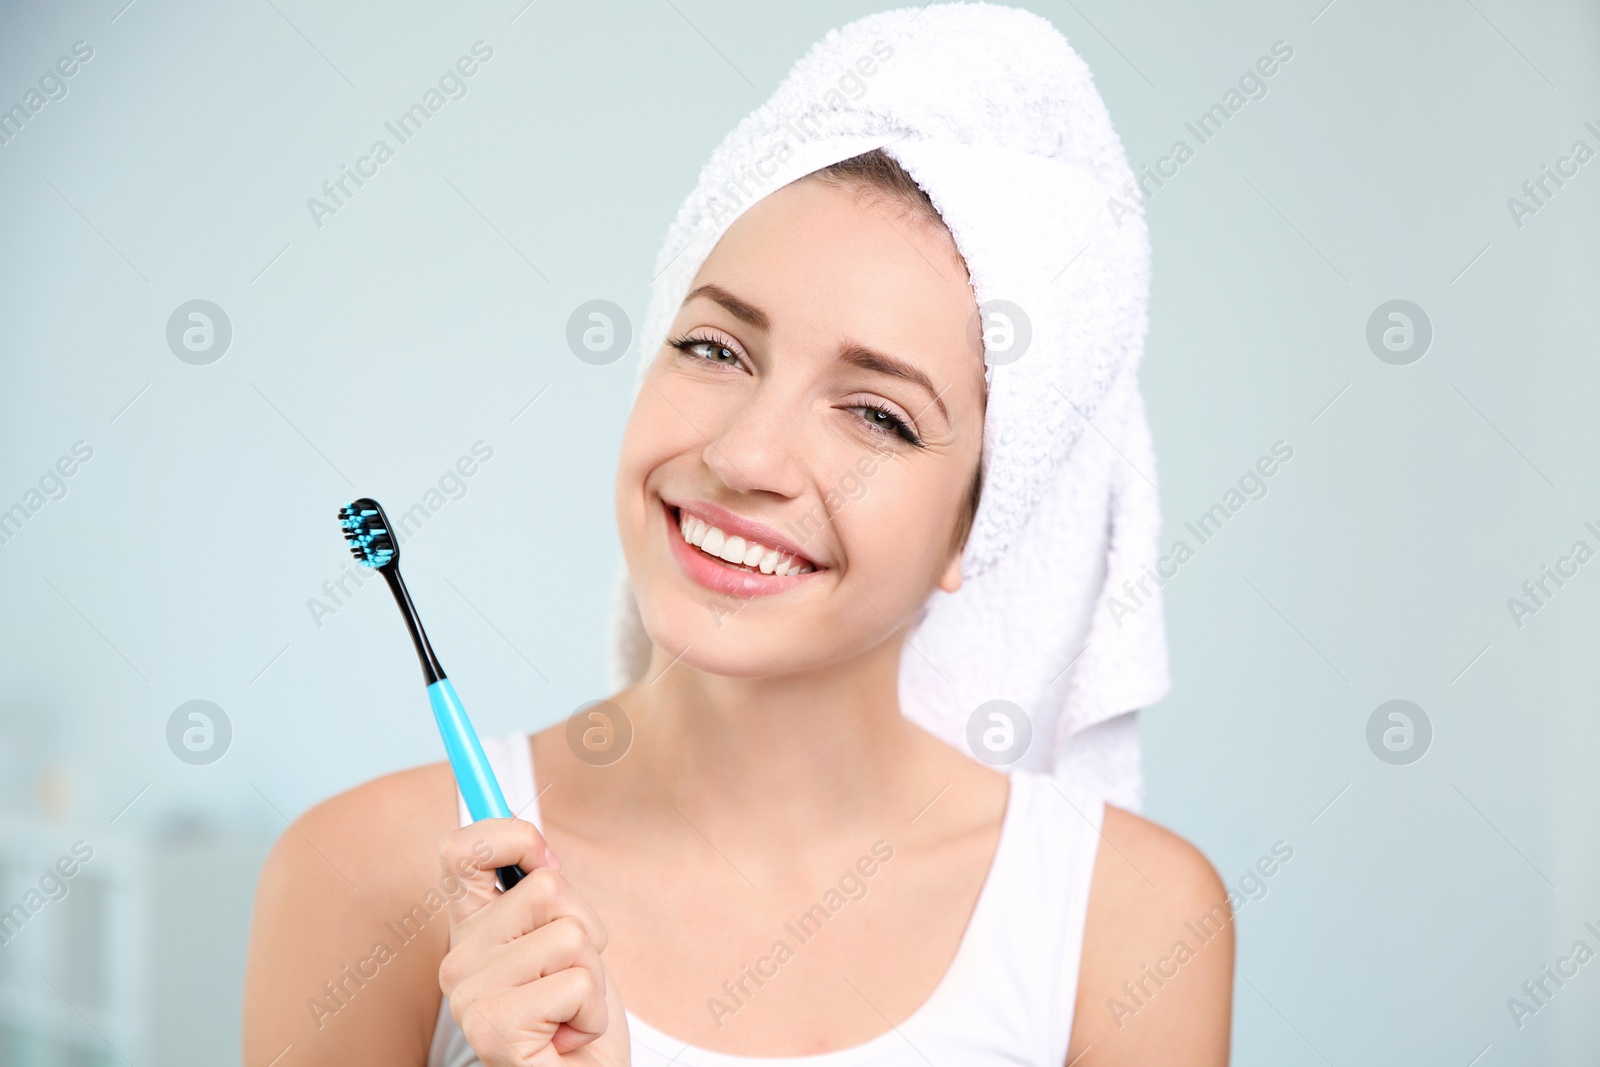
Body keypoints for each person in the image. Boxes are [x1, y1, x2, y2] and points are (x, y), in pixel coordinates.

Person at [243, 7, 1234, 1065]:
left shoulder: (1127, 922)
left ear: (977, 525)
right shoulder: (366, 876)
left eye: (877, 414)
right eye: (715, 347)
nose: (747, 455)